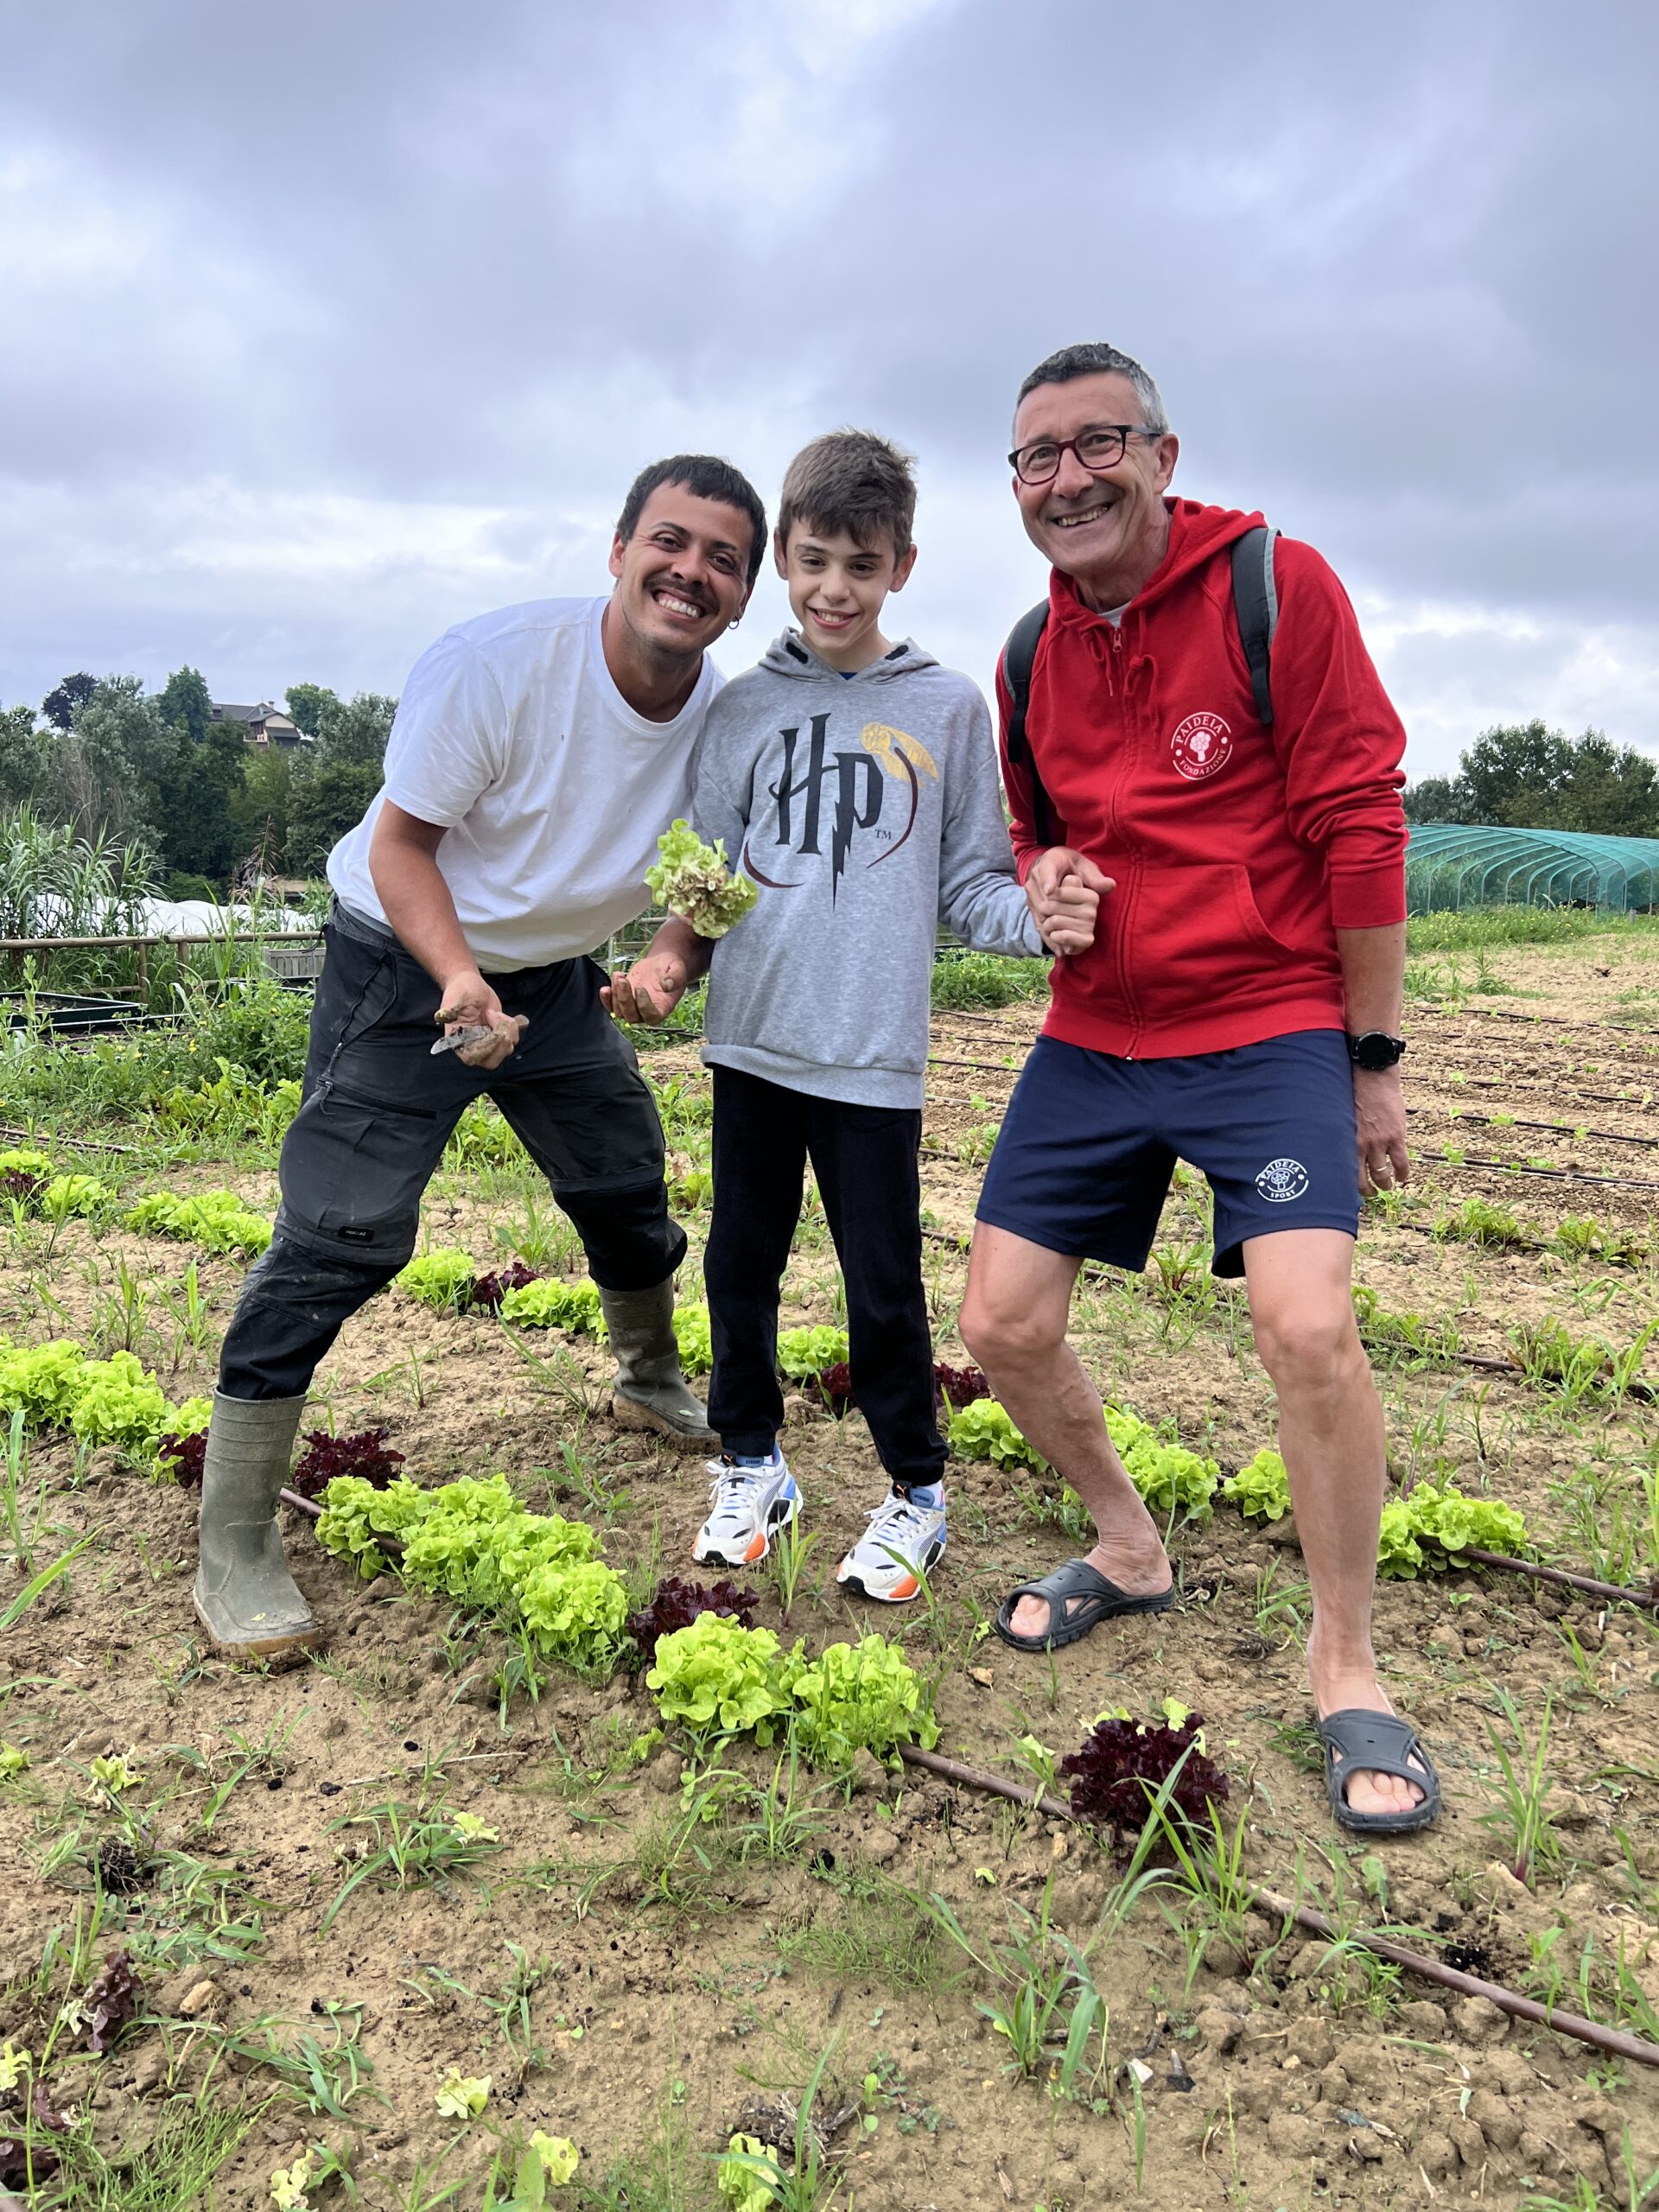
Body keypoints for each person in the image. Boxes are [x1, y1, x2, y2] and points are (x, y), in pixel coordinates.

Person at [957, 343, 1439, 1834]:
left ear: (1163, 455)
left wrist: (1370, 1063)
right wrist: (1049, 884)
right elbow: (1029, 833)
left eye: (1097, 443)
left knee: (1306, 1326)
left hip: (1270, 1021)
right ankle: (1129, 1545)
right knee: (999, 1324)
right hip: (1096, 1033)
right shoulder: (1028, 655)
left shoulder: (1274, 589)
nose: (1065, 478)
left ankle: (1344, 1655)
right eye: (1035, 458)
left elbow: (1361, 820)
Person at [193, 454, 767, 1664]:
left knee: (621, 1171)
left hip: (551, 978)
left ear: (745, 591)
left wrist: (669, 960)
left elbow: (711, 876)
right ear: (618, 553)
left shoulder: (725, 715)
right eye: (671, 542)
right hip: (408, 959)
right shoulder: (498, 667)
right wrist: (458, 979)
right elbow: (402, 850)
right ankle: (236, 1537)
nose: (692, 572)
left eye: (725, 558)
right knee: (343, 1227)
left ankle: (648, 1374)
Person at [610, 430, 1096, 1599]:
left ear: (903, 568)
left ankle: (916, 1490)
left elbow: (972, 885)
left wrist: (1040, 918)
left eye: (862, 566)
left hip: (872, 1060)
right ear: (784, 555)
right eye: (816, 559)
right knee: (740, 1264)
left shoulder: (942, 710)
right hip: (753, 1045)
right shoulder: (740, 709)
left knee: (883, 1285)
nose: (836, 588)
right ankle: (752, 1464)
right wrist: (671, 961)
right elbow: (704, 874)